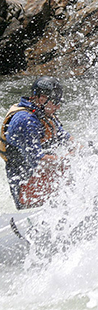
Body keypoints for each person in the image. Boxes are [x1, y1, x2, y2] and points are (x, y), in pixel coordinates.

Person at [0, 77, 73, 210]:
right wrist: (70, 159)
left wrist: (85, 151)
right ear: (41, 99)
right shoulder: (25, 121)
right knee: (68, 167)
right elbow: (38, 161)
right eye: (55, 101)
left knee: (73, 165)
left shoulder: (44, 114)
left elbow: (67, 139)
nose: (58, 106)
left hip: (40, 180)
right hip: (25, 190)